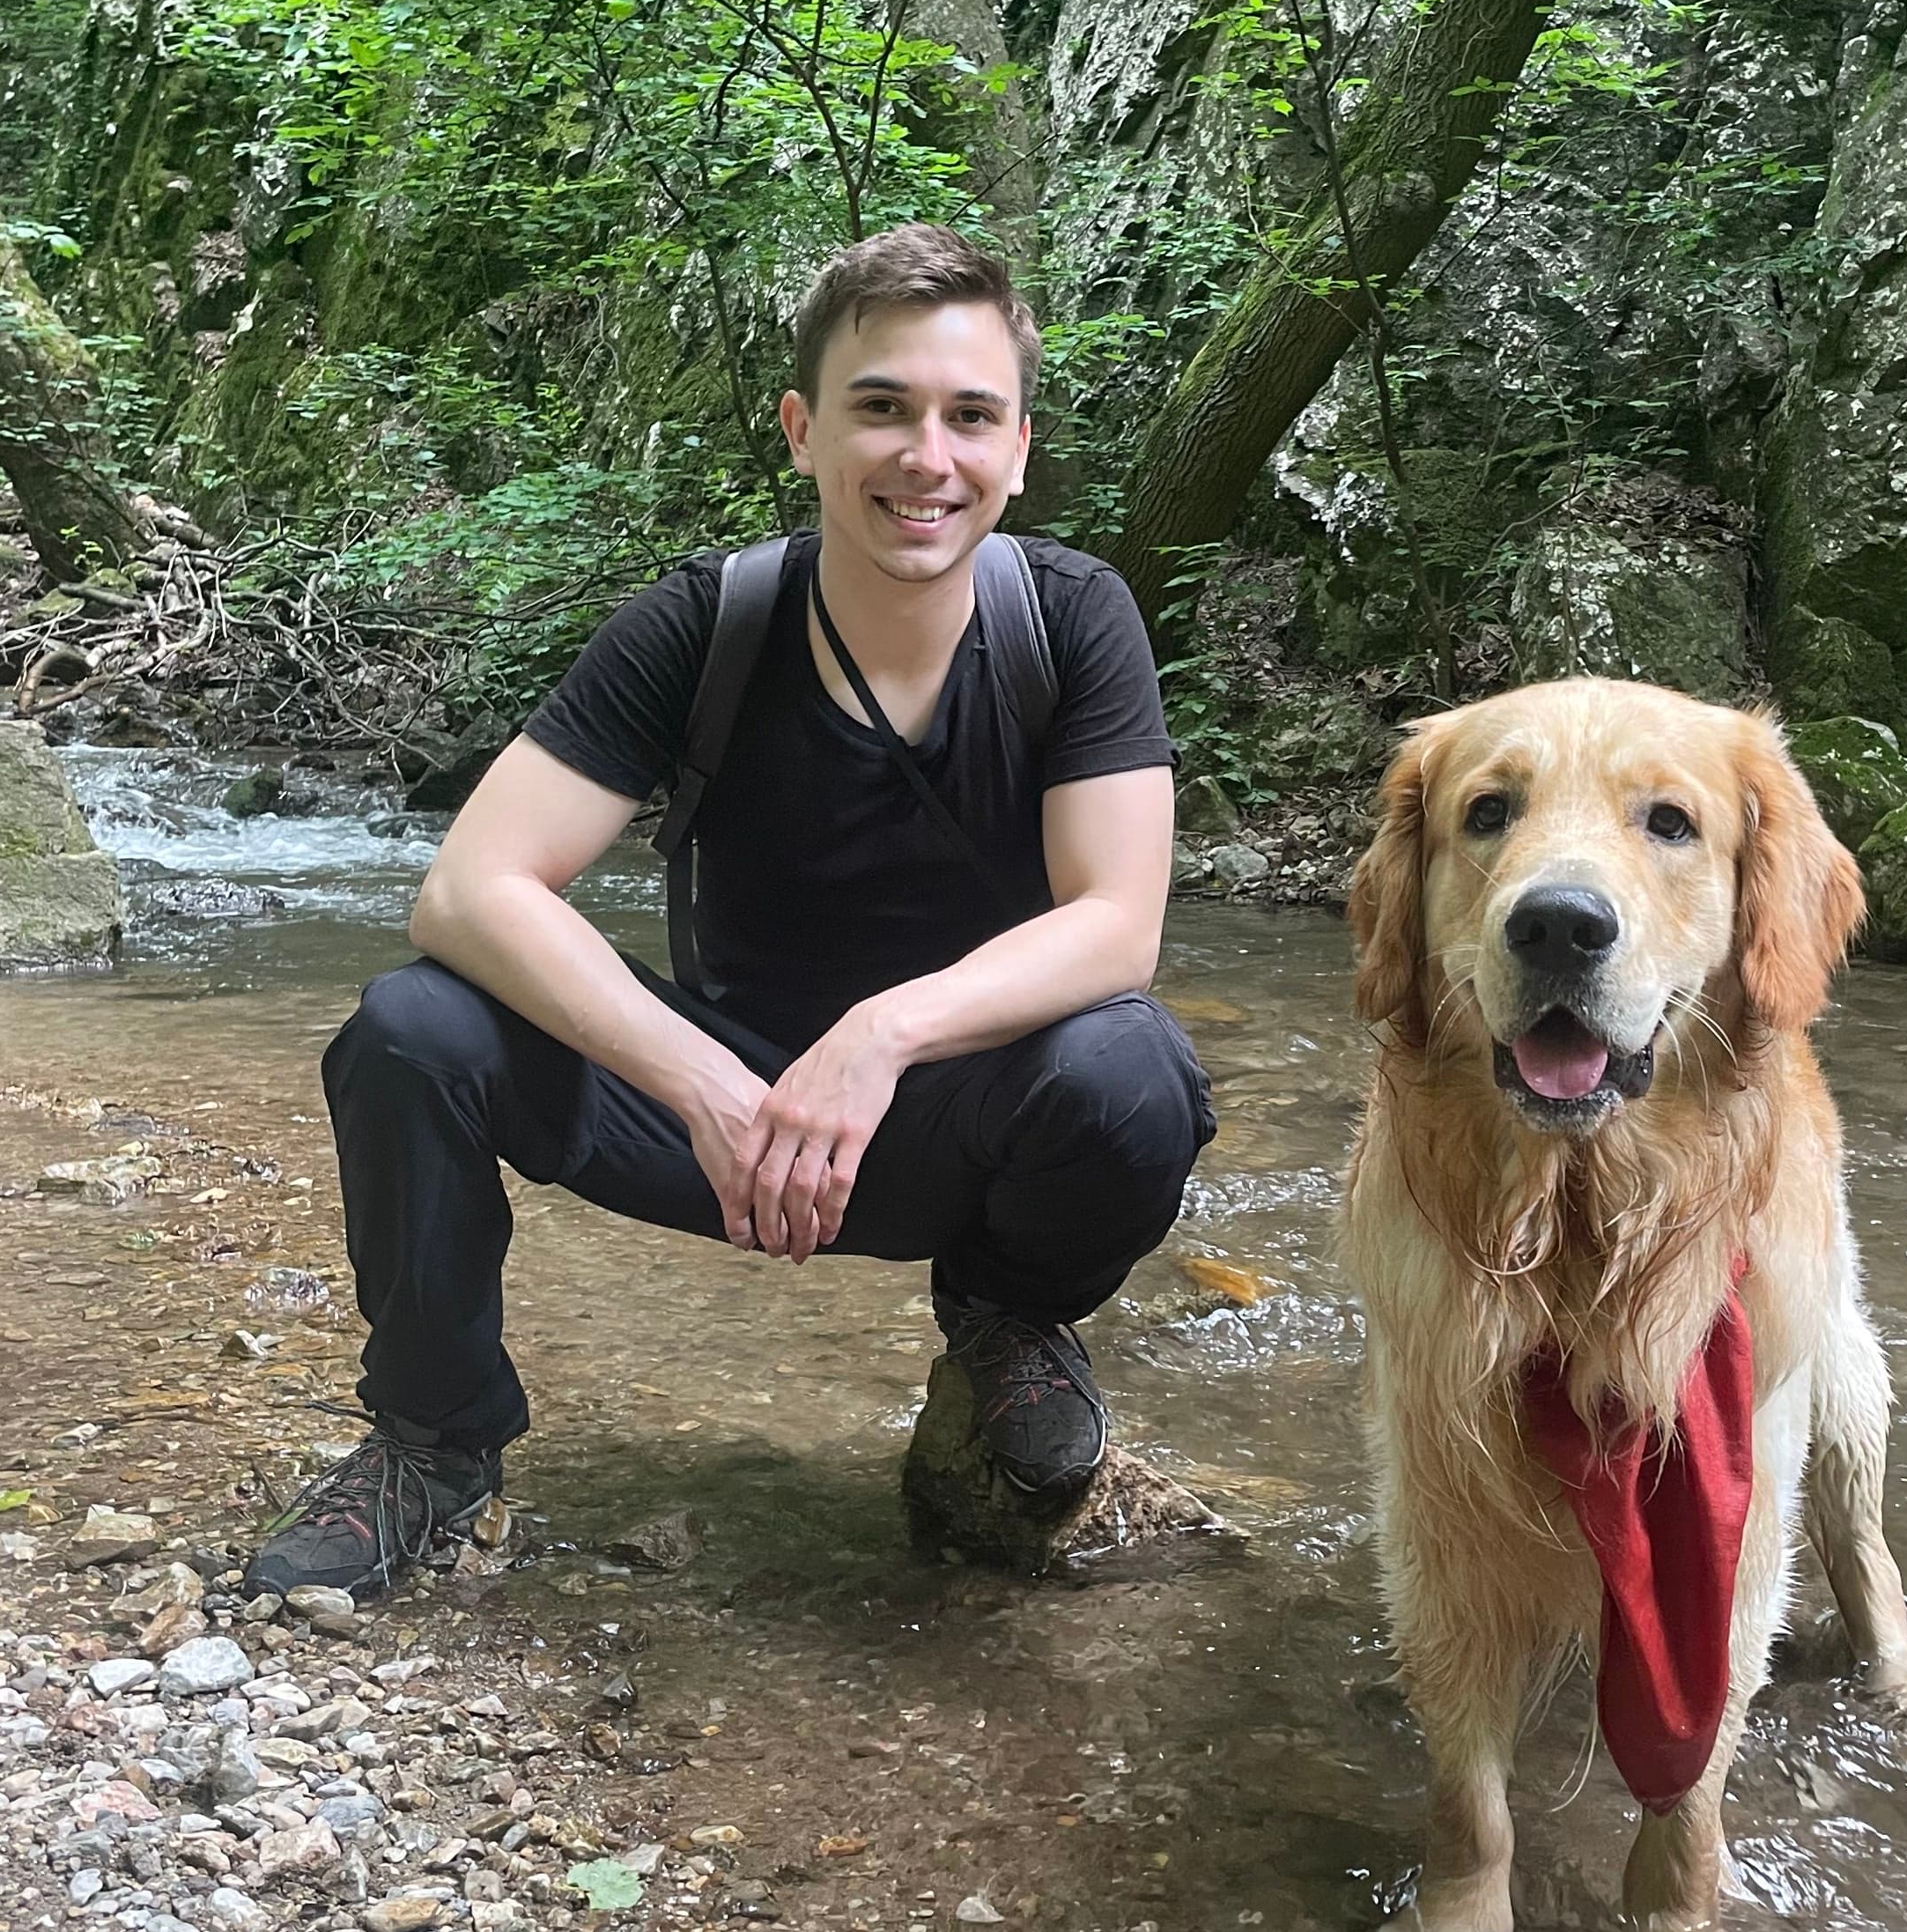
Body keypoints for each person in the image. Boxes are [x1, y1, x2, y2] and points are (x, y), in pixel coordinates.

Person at [245, 223, 1213, 1605]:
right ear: (803, 430)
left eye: (968, 417)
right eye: (880, 409)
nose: (924, 458)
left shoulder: (1075, 620)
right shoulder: (705, 625)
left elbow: (1117, 926)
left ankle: (1005, 1320)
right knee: (412, 1029)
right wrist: (697, 1076)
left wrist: (882, 1036)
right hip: (719, 1120)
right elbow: (470, 890)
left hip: (951, 1119)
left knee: (1133, 1071)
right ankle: (432, 1442)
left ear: (1015, 444)